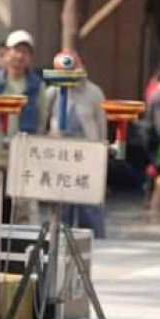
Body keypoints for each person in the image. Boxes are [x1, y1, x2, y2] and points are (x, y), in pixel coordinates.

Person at [45, 55, 108, 238]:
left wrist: (101, 153)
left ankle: (95, 242)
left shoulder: (94, 93)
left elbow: (101, 125)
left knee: (90, 207)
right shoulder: (53, 93)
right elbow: (44, 121)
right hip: (60, 155)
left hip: (87, 154)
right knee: (61, 208)